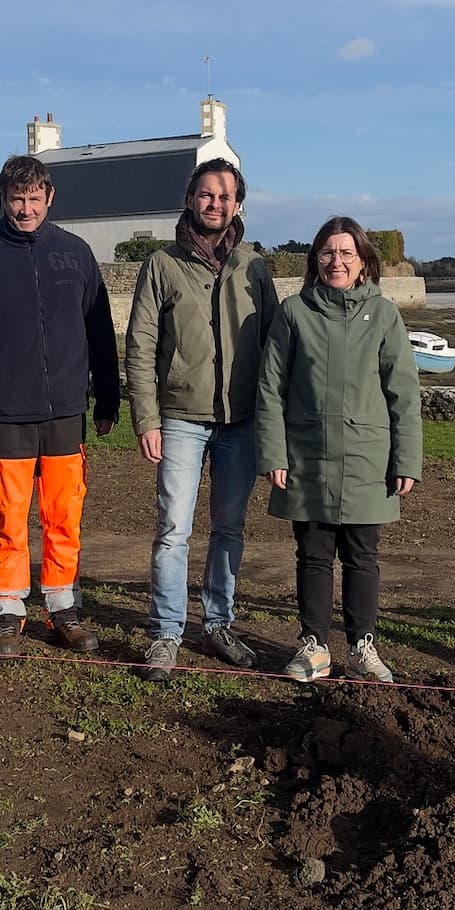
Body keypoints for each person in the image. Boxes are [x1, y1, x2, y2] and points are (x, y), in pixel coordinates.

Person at [0, 155, 120, 656]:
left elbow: (100, 332)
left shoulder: (76, 253)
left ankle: (63, 608)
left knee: (64, 515)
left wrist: (108, 395)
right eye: (16, 200)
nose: (25, 209)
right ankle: (6, 610)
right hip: (2, 412)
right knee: (7, 516)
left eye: (34, 199)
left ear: (50, 197)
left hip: (66, 410)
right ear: (3, 197)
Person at [125, 158, 277, 682]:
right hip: (180, 420)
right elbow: (141, 345)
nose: (215, 203)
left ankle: (218, 624)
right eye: (206, 194)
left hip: (241, 423)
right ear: (191, 199)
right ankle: (166, 632)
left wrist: (274, 423)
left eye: (225, 196)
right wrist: (146, 416)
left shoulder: (255, 266)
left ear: (238, 205)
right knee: (173, 530)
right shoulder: (162, 265)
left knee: (229, 528)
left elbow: (275, 348)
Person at [257, 216, 422, 684]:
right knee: (312, 554)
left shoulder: (385, 315)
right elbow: (270, 389)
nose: (337, 261)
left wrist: (406, 459)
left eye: (347, 253)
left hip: (369, 457)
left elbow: (403, 393)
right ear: (315, 261)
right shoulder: (293, 313)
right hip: (306, 455)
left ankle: (362, 647)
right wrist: (274, 453)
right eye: (328, 253)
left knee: (362, 555)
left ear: (364, 262)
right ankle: (313, 646)